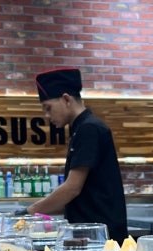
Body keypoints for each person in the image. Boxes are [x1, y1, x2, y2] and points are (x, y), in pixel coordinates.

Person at [26, 67, 128, 241]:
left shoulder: (89, 128)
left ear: (66, 99)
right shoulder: (81, 128)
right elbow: (80, 197)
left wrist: (30, 211)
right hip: (89, 233)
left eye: (48, 108)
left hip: (99, 236)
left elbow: (72, 188)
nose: (47, 116)